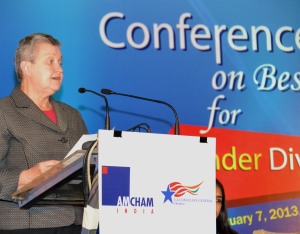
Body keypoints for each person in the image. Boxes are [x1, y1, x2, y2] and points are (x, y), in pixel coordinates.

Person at [0, 33, 88, 233]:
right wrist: (24, 178)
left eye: (60, 62)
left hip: (75, 223)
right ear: (26, 67)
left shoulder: (72, 115)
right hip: (27, 225)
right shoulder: (4, 111)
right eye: (50, 61)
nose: (59, 69)